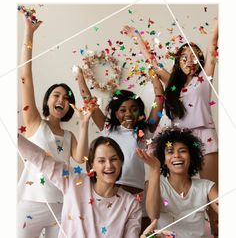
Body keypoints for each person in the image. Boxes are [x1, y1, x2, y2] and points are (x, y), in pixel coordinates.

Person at [125, 21, 219, 236]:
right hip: (179, 141)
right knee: (168, 185)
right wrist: (138, 37)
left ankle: (216, 230)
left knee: (214, 198)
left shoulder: (204, 79)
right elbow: (153, 63)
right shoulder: (173, 84)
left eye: (194, 56)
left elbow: (213, 51)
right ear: (178, 62)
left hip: (205, 137)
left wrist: (215, 28)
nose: (189, 60)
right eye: (184, 57)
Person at [76, 26, 164, 230]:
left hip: (136, 195)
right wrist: (80, 77)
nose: (128, 114)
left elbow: (160, 97)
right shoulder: (107, 128)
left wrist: (151, 70)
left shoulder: (144, 131)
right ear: (115, 113)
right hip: (108, 192)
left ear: (140, 112)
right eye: (123, 110)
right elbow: (89, 101)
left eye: (133, 109)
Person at [18, 108, 142, 238]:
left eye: (114, 159)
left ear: (121, 162)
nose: (109, 165)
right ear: (92, 165)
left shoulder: (131, 204)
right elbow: (41, 158)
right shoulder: (74, 181)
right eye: (101, 160)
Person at [18, 6, 83, 238]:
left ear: (69, 107)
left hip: (62, 205)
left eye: (66, 98)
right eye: (56, 95)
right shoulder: (35, 122)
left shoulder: (70, 136)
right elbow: (25, 76)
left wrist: (84, 124)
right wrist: (29, 33)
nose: (62, 99)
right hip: (31, 204)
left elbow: (82, 158)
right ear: (47, 101)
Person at [136, 127, 218, 238]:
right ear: (163, 159)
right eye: (170, 152)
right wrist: (155, 169)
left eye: (183, 151)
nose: (177, 155)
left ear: (191, 157)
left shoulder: (206, 186)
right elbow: (153, 214)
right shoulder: (153, 184)